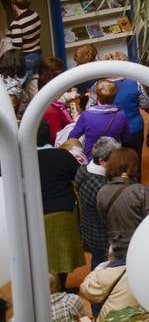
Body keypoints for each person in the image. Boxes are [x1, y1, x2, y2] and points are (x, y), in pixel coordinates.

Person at [36, 122, 87, 289]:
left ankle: (46, 291)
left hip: (35, 213)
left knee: (42, 254)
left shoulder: (22, 159)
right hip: (64, 210)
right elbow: (80, 176)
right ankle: (62, 288)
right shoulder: (62, 155)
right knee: (64, 254)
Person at [98, 147, 149, 261]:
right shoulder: (139, 191)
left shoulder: (102, 191)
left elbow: (103, 218)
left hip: (116, 248)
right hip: (140, 246)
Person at [76, 136, 119, 268]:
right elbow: (112, 212)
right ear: (102, 161)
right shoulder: (100, 186)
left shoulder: (83, 169)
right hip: (101, 235)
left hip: (89, 228)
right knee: (101, 265)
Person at [69, 79, 130, 153]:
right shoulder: (121, 114)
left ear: (97, 96)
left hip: (91, 156)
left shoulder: (86, 115)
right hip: (113, 156)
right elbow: (127, 138)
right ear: (114, 96)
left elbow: (72, 137)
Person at [105, 53, 146, 157]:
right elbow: (145, 104)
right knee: (135, 161)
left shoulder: (98, 86)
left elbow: (90, 108)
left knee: (114, 164)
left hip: (110, 130)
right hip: (134, 128)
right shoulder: (135, 83)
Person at [9, 0, 44, 77]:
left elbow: (16, 48)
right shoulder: (35, 14)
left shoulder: (16, 23)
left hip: (27, 57)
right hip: (38, 54)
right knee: (34, 83)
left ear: (15, 5)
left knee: (24, 86)